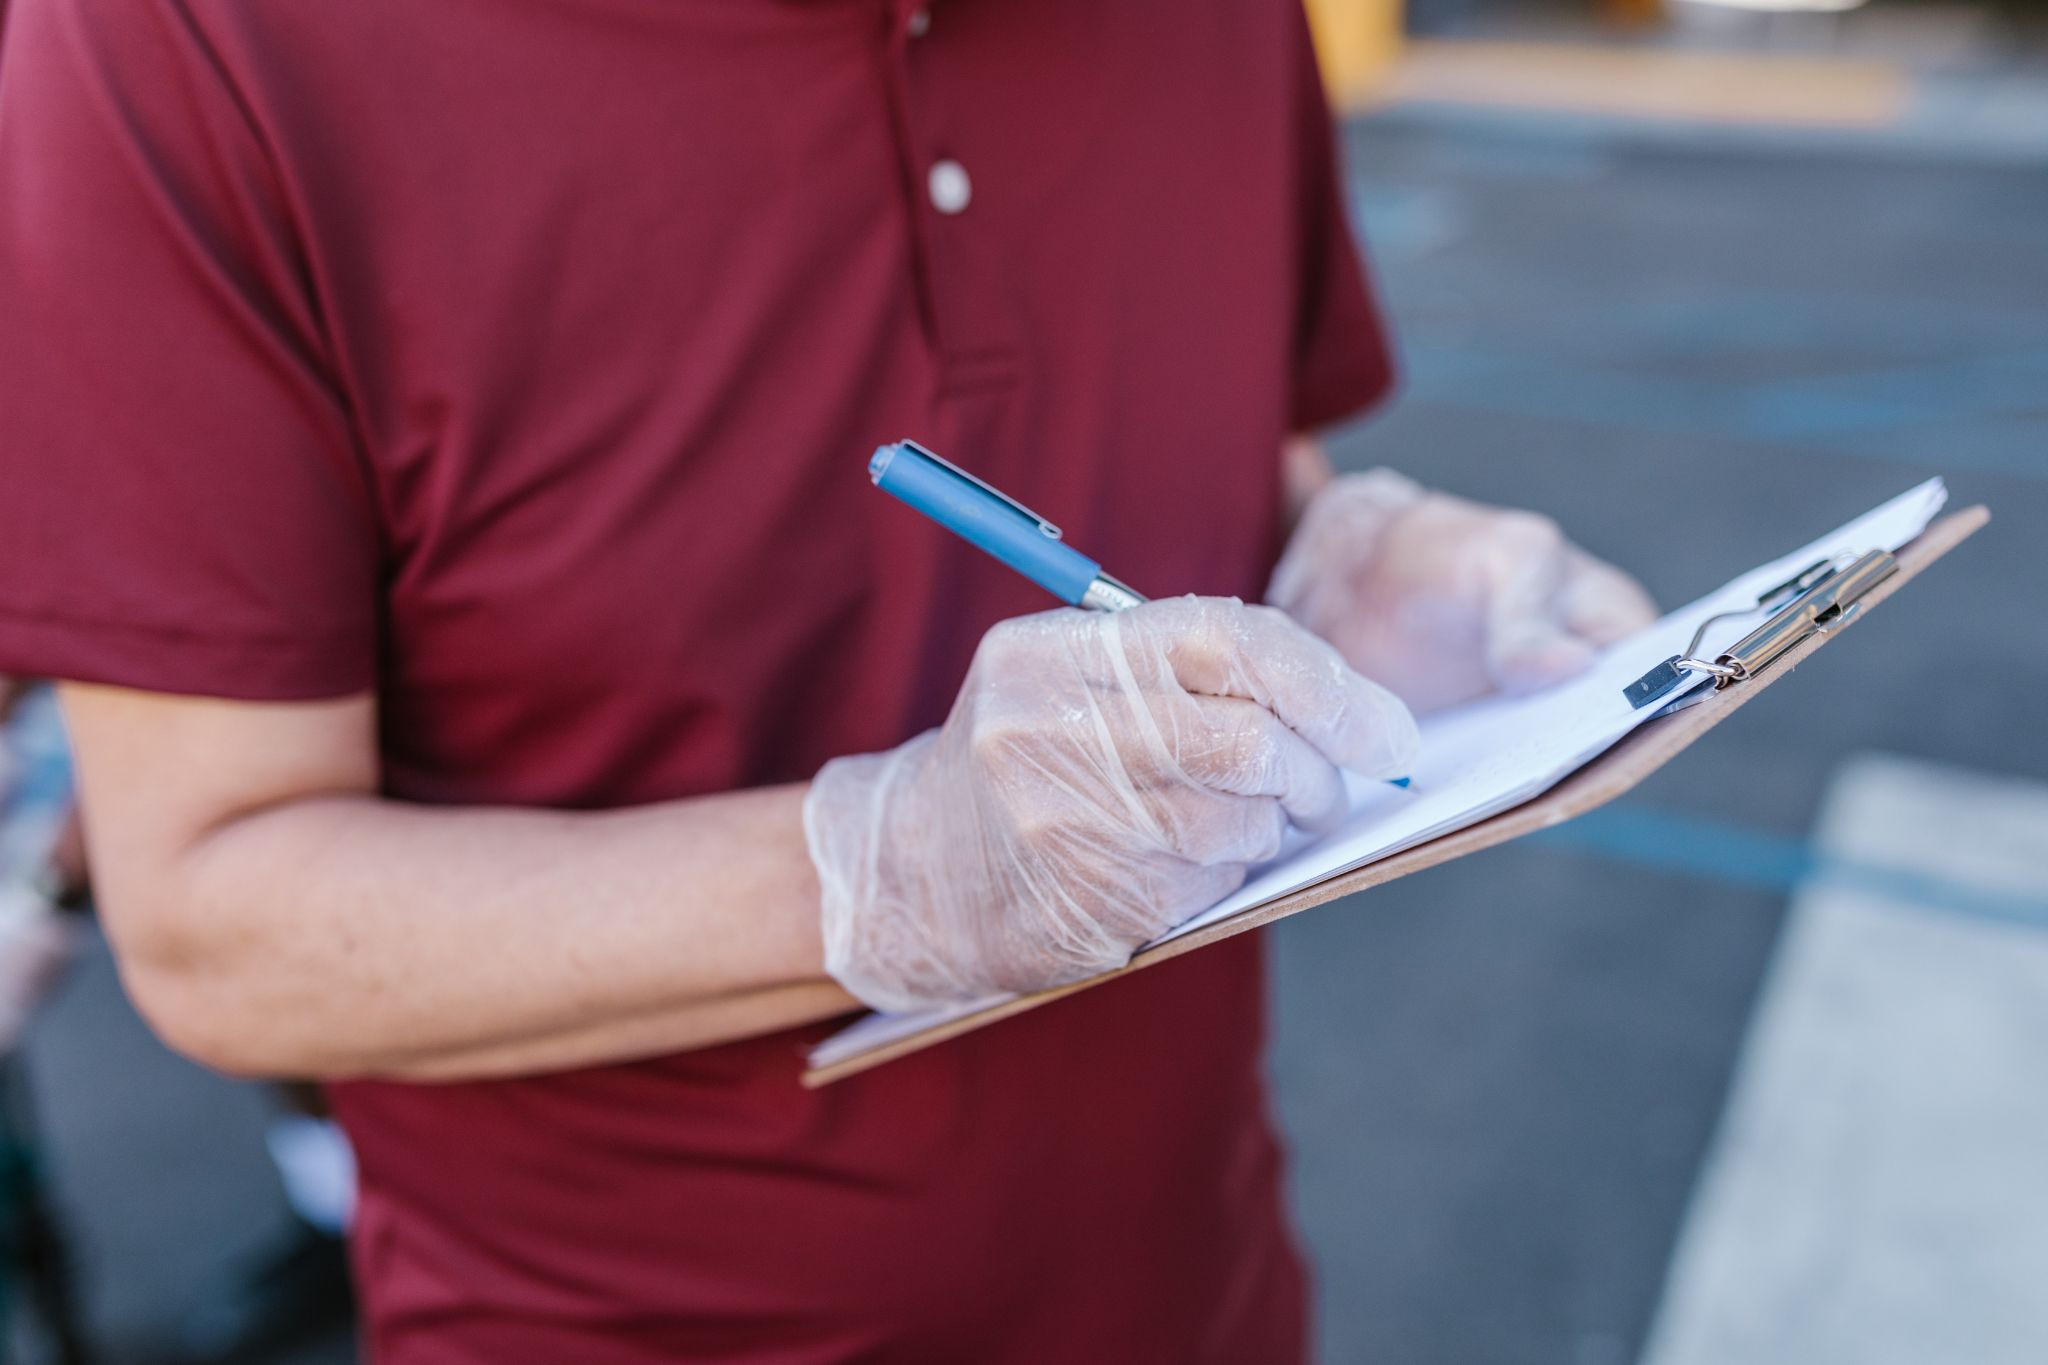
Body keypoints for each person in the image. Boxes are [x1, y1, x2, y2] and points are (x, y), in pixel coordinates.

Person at [0, 1, 1655, 1360]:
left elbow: (1236, 444)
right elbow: (218, 923)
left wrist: (1337, 570)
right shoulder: (179, 44)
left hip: (1207, 1287)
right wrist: (884, 866)